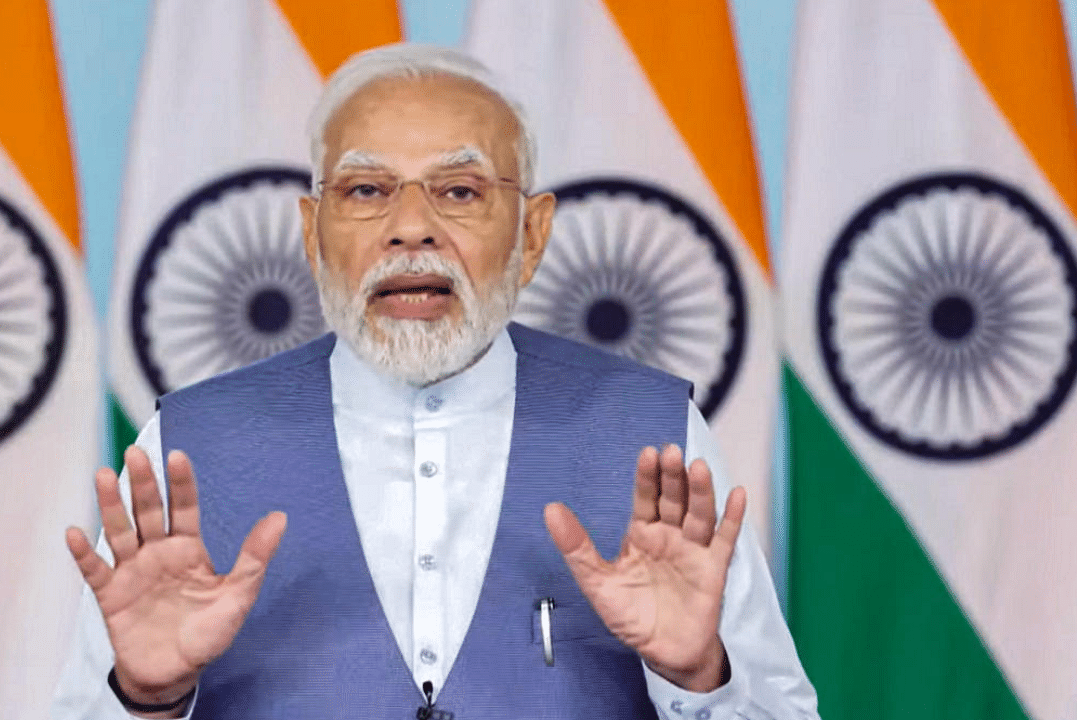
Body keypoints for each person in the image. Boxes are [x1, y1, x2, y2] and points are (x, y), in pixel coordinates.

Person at [52, 44, 818, 719]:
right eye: (365, 191)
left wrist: (696, 675)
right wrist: (147, 700)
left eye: (458, 191)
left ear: (533, 234)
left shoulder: (655, 436)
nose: (410, 227)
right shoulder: (187, 449)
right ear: (311, 234)